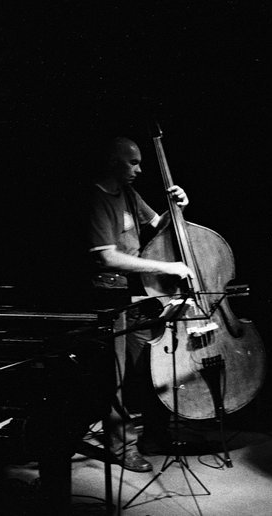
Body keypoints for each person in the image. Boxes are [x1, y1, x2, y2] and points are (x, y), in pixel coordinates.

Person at [88, 136, 194, 472]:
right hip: (109, 297)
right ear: (112, 161)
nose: (139, 169)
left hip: (138, 294)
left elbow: (158, 226)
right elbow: (107, 258)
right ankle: (124, 447)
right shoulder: (97, 198)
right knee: (116, 377)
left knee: (151, 366)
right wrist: (166, 268)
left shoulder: (129, 193)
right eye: (132, 162)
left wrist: (177, 208)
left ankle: (155, 435)